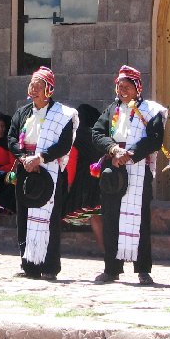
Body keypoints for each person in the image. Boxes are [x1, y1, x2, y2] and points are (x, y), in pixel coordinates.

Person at [91, 66, 166, 285]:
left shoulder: (151, 111)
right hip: (114, 168)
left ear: (137, 88)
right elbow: (97, 133)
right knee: (111, 217)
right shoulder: (111, 110)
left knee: (140, 219)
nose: (122, 90)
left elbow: (155, 138)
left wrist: (130, 154)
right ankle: (112, 269)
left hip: (138, 168)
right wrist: (114, 151)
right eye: (119, 86)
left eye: (127, 86)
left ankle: (142, 269)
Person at [7, 67, 77, 281]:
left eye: (39, 86)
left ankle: (49, 266)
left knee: (50, 219)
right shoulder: (22, 112)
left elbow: (64, 144)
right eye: (32, 85)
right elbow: (11, 138)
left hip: (49, 170)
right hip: (25, 168)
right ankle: (28, 265)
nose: (34, 90)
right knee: (24, 217)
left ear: (50, 90)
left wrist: (40, 158)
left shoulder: (62, 115)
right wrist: (23, 158)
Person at [63, 104, 104, 249]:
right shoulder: (102, 135)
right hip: (105, 177)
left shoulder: (77, 136)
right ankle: (112, 251)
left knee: (95, 215)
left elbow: (72, 162)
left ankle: (104, 249)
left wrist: (68, 184)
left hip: (85, 180)